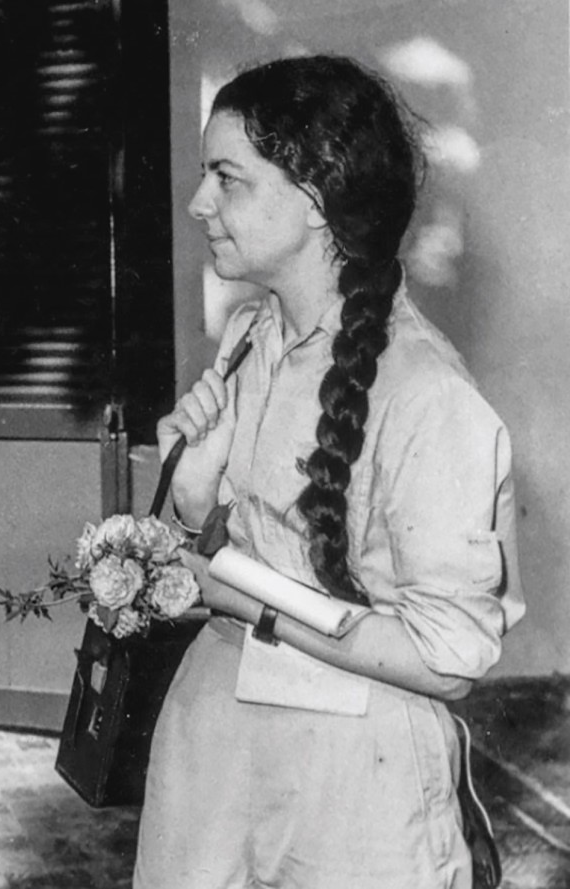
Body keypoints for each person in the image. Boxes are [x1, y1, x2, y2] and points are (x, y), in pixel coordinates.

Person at [135, 55, 524, 888]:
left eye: (227, 177)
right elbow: (236, 547)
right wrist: (193, 501)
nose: (199, 202)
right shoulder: (249, 334)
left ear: (314, 200)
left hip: (351, 790)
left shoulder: (427, 395)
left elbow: (448, 655)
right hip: (214, 756)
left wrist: (246, 600)